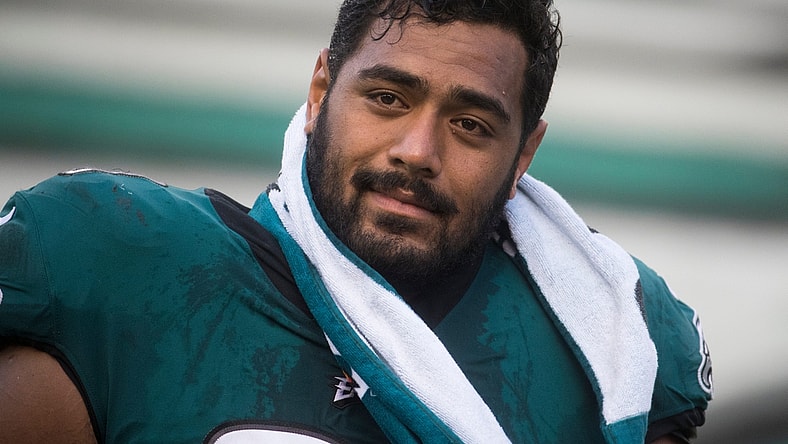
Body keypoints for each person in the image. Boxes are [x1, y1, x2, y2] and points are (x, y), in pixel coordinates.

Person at [0, 0, 712, 443]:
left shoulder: (609, 341)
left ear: (524, 151)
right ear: (320, 92)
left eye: (469, 124)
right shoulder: (131, 264)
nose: (418, 152)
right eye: (388, 98)